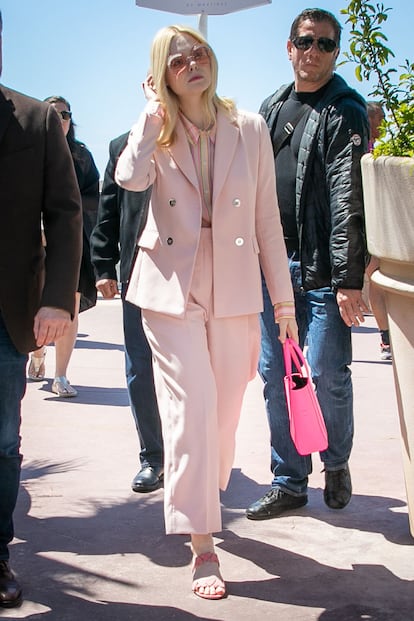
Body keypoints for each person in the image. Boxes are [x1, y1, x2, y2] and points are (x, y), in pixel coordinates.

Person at [115, 25, 298, 599]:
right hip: (170, 289)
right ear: (161, 77)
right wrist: (150, 116)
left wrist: (284, 303)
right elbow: (129, 178)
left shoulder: (250, 127)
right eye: (177, 61)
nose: (192, 63)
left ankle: (204, 492)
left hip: (236, 287)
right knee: (192, 411)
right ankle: (203, 546)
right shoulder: (157, 132)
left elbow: (268, 219)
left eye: (198, 53)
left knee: (221, 420)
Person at [246, 8, 369, 522]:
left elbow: (347, 197)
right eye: (304, 41)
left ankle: (335, 463)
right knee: (276, 375)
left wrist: (347, 279)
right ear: (289, 46)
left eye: (324, 44)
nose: (312, 52)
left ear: (336, 52)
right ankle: (289, 480)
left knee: (324, 371)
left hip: (321, 270)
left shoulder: (346, 110)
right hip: (272, 270)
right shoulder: (271, 106)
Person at [0, 10, 82, 607]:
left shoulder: (34, 119)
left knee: (1, 441)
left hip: (4, 314)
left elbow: (66, 211)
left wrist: (57, 297)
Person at [90, 134, 164, 493]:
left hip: (193, 276)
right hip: (137, 274)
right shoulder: (123, 145)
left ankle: (197, 458)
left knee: (198, 371)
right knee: (140, 367)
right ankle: (153, 457)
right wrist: (103, 266)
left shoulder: (206, 137)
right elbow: (109, 210)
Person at [28, 96, 100, 396]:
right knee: (33, 308)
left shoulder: (82, 156)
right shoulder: (28, 149)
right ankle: (38, 353)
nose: (61, 119)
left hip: (70, 244)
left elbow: (93, 198)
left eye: (66, 114)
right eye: (54, 113)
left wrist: (64, 218)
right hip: (32, 245)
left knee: (68, 310)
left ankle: (61, 376)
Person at [365, 101, 391, 361]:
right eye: (380, 117)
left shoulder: (380, 148)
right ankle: (386, 339)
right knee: (374, 276)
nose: (383, 123)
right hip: (366, 225)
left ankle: (387, 338)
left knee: (376, 278)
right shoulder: (362, 147)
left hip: (378, 223)